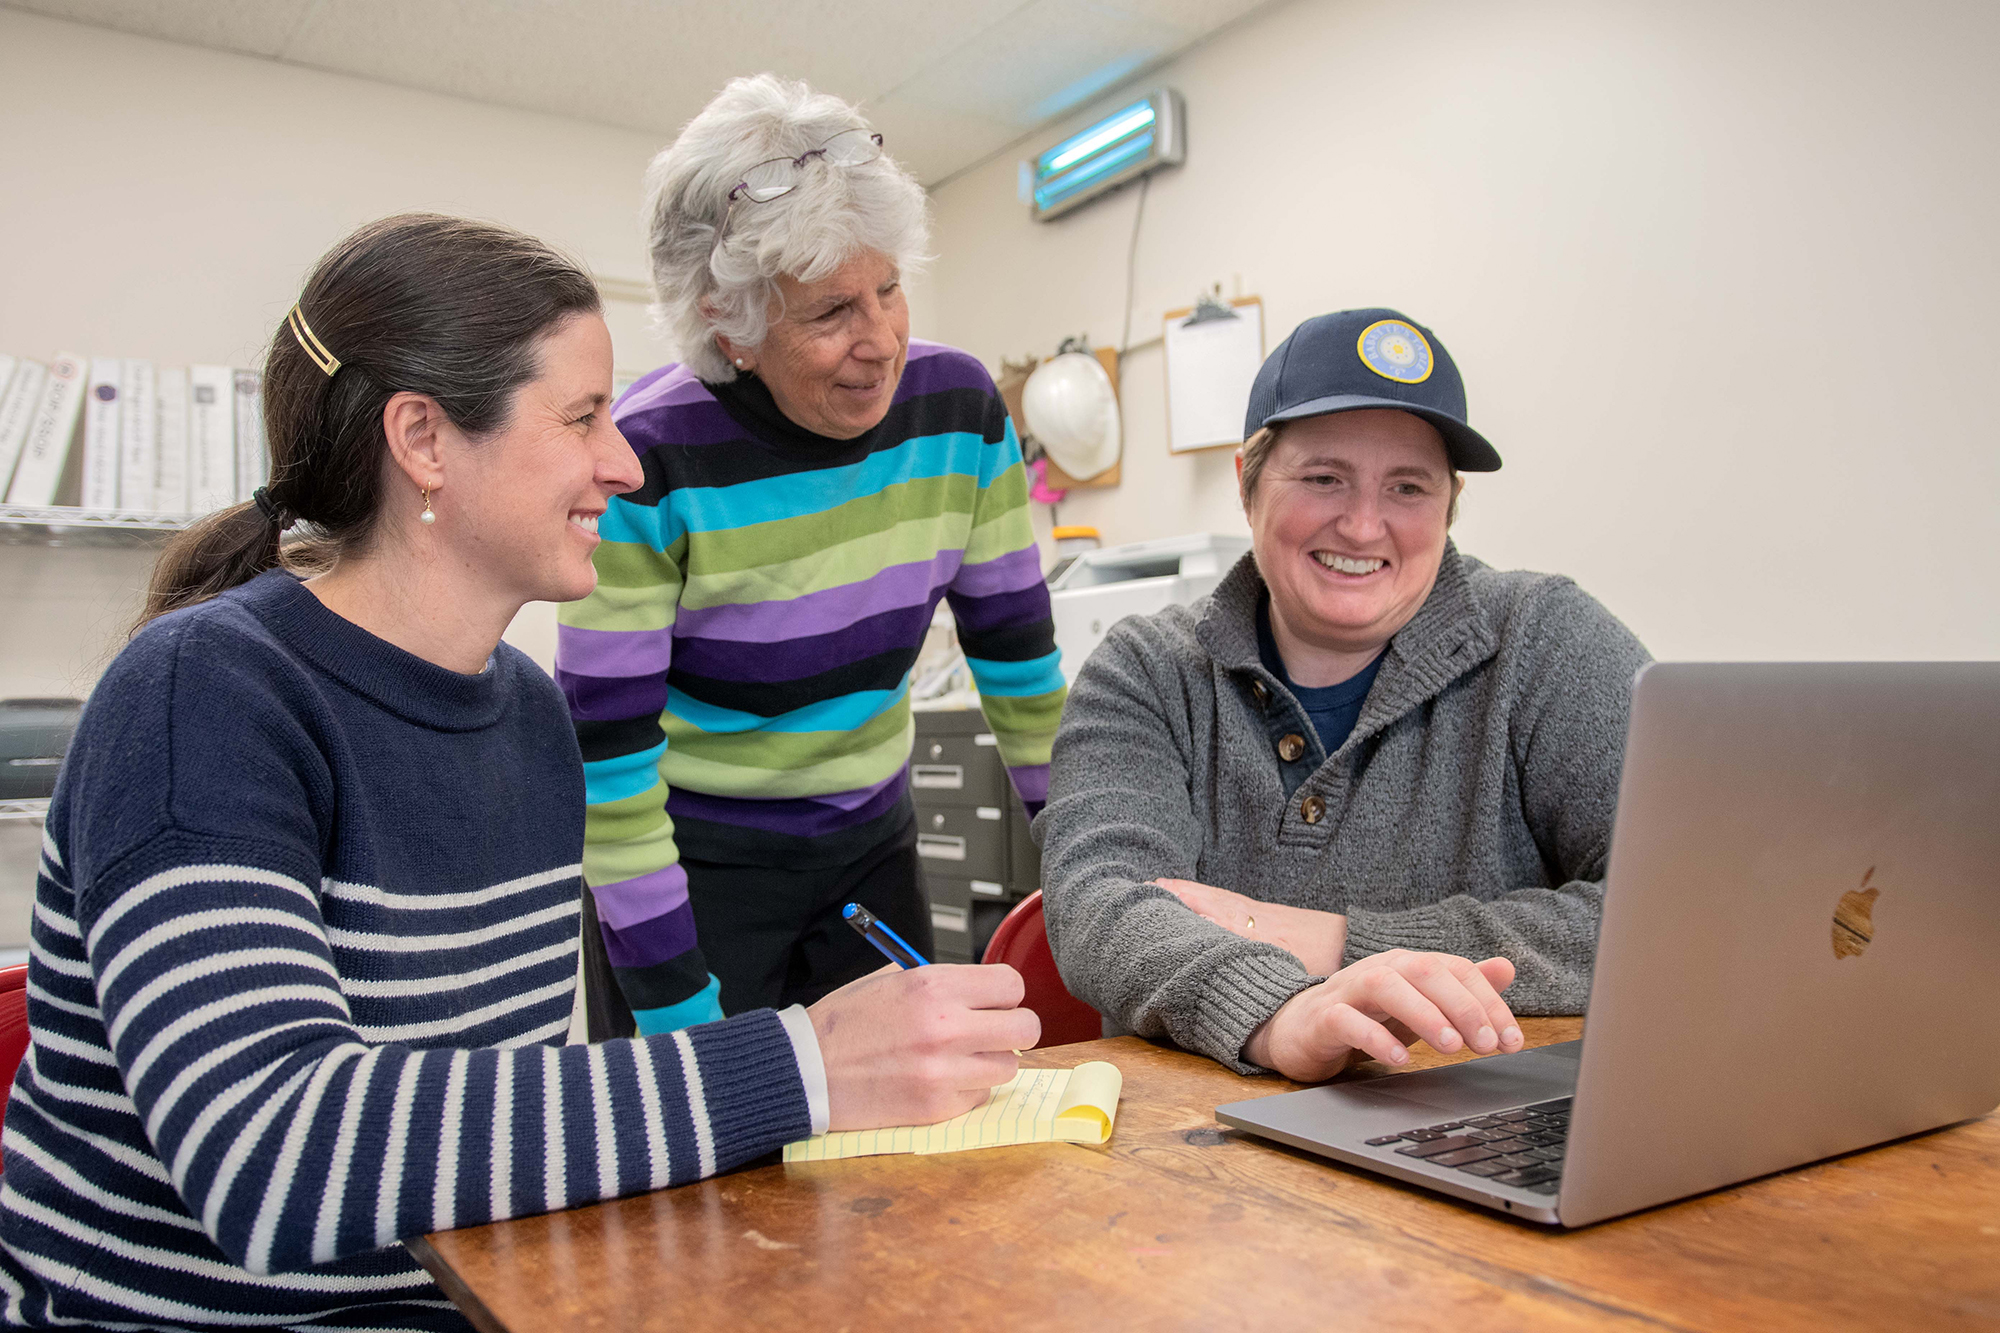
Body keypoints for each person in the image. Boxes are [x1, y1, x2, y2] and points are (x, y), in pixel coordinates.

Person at [0, 214, 1038, 1333]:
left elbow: (508, 1133)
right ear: (425, 440)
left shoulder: (532, 718)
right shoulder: (205, 692)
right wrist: (806, 1062)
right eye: (583, 416)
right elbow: (277, 1153)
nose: (625, 461)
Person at [556, 75, 1066, 1033]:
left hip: (870, 848)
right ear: (728, 324)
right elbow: (608, 759)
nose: (880, 341)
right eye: (830, 313)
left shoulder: (956, 411)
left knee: (896, 1155)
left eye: (889, 289)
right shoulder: (644, 457)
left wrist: (1095, 883)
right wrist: (675, 1007)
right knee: (707, 1165)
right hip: (689, 878)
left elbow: (1023, 675)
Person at [1037, 308, 1652, 1084]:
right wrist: (1278, 1014)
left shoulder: (1545, 638)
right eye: (1324, 477)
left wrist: (1335, 942)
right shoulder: (1145, 671)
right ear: (1247, 482)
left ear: (1449, 502)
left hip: (1480, 1126)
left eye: (1408, 486)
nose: (1364, 525)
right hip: (1196, 1153)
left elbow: (1679, 905)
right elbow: (1103, 908)